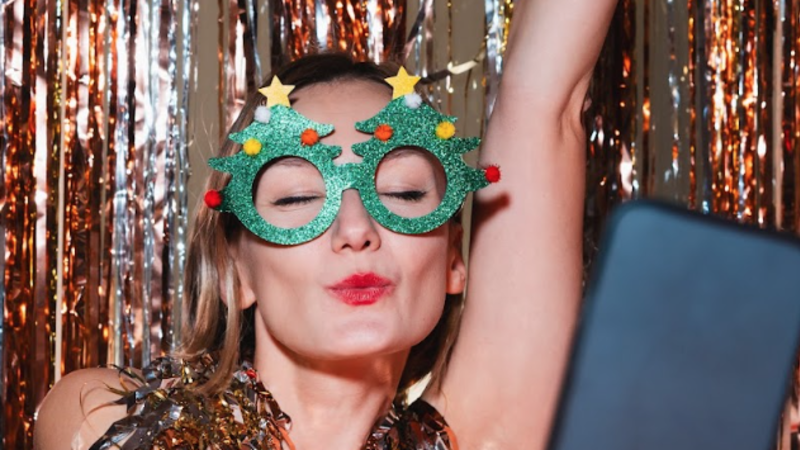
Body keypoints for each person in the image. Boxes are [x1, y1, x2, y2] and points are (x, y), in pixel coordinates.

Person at [33, 1, 617, 449]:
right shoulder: (106, 415)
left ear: (455, 261)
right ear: (237, 271)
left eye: (403, 191)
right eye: (298, 199)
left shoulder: (483, 430)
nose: (355, 229)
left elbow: (547, 100)